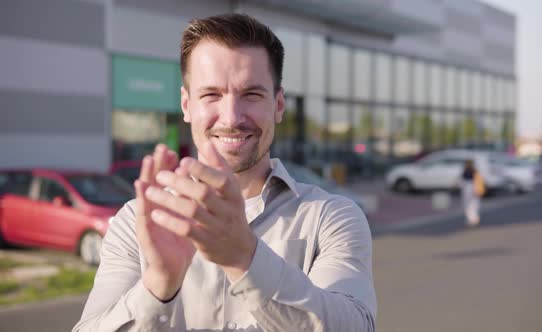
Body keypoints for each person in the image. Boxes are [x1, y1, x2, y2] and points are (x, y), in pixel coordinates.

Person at [73, 14, 376, 331]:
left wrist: (245, 257)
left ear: (279, 105)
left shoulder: (331, 217)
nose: (231, 117)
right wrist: (158, 283)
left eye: (251, 94)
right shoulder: (136, 223)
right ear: (187, 105)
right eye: (211, 95)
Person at [461, 159, 482, 227]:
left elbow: (462, 180)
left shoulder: (466, 171)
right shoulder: (475, 171)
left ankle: (472, 219)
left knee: (468, 205)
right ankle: (474, 218)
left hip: (469, 188)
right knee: (474, 204)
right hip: (475, 188)